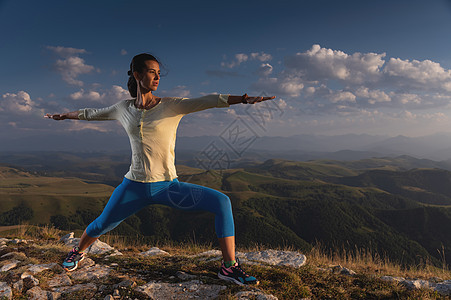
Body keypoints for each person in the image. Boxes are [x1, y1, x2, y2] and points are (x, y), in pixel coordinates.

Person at [45, 53, 275, 285]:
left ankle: (228, 267)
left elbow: (209, 100)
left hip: (167, 187)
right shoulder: (123, 108)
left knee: (222, 202)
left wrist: (244, 99)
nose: (157, 77)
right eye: (151, 72)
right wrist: (64, 115)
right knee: (101, 224)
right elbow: (91, 113)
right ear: (137, 75)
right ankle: (79, 251)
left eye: (158, 73)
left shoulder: (172, 106)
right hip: (133, 187)